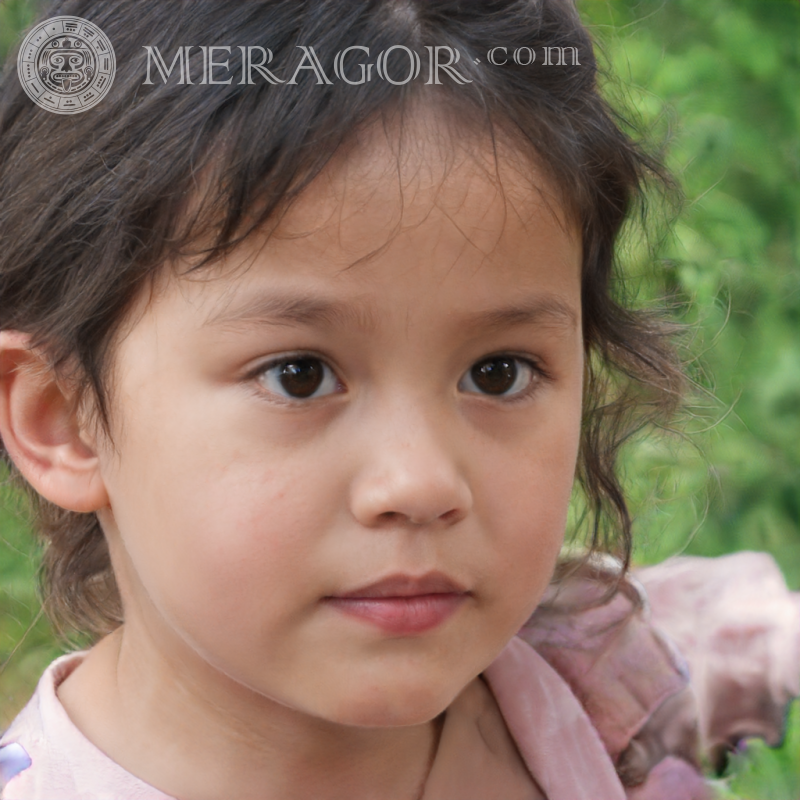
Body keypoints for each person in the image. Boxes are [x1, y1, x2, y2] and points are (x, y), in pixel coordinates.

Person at [0, 0, 745, 797]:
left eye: (498, 373)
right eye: (299, 375)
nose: (421, 485)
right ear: (66, 421)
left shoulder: (588, 675)